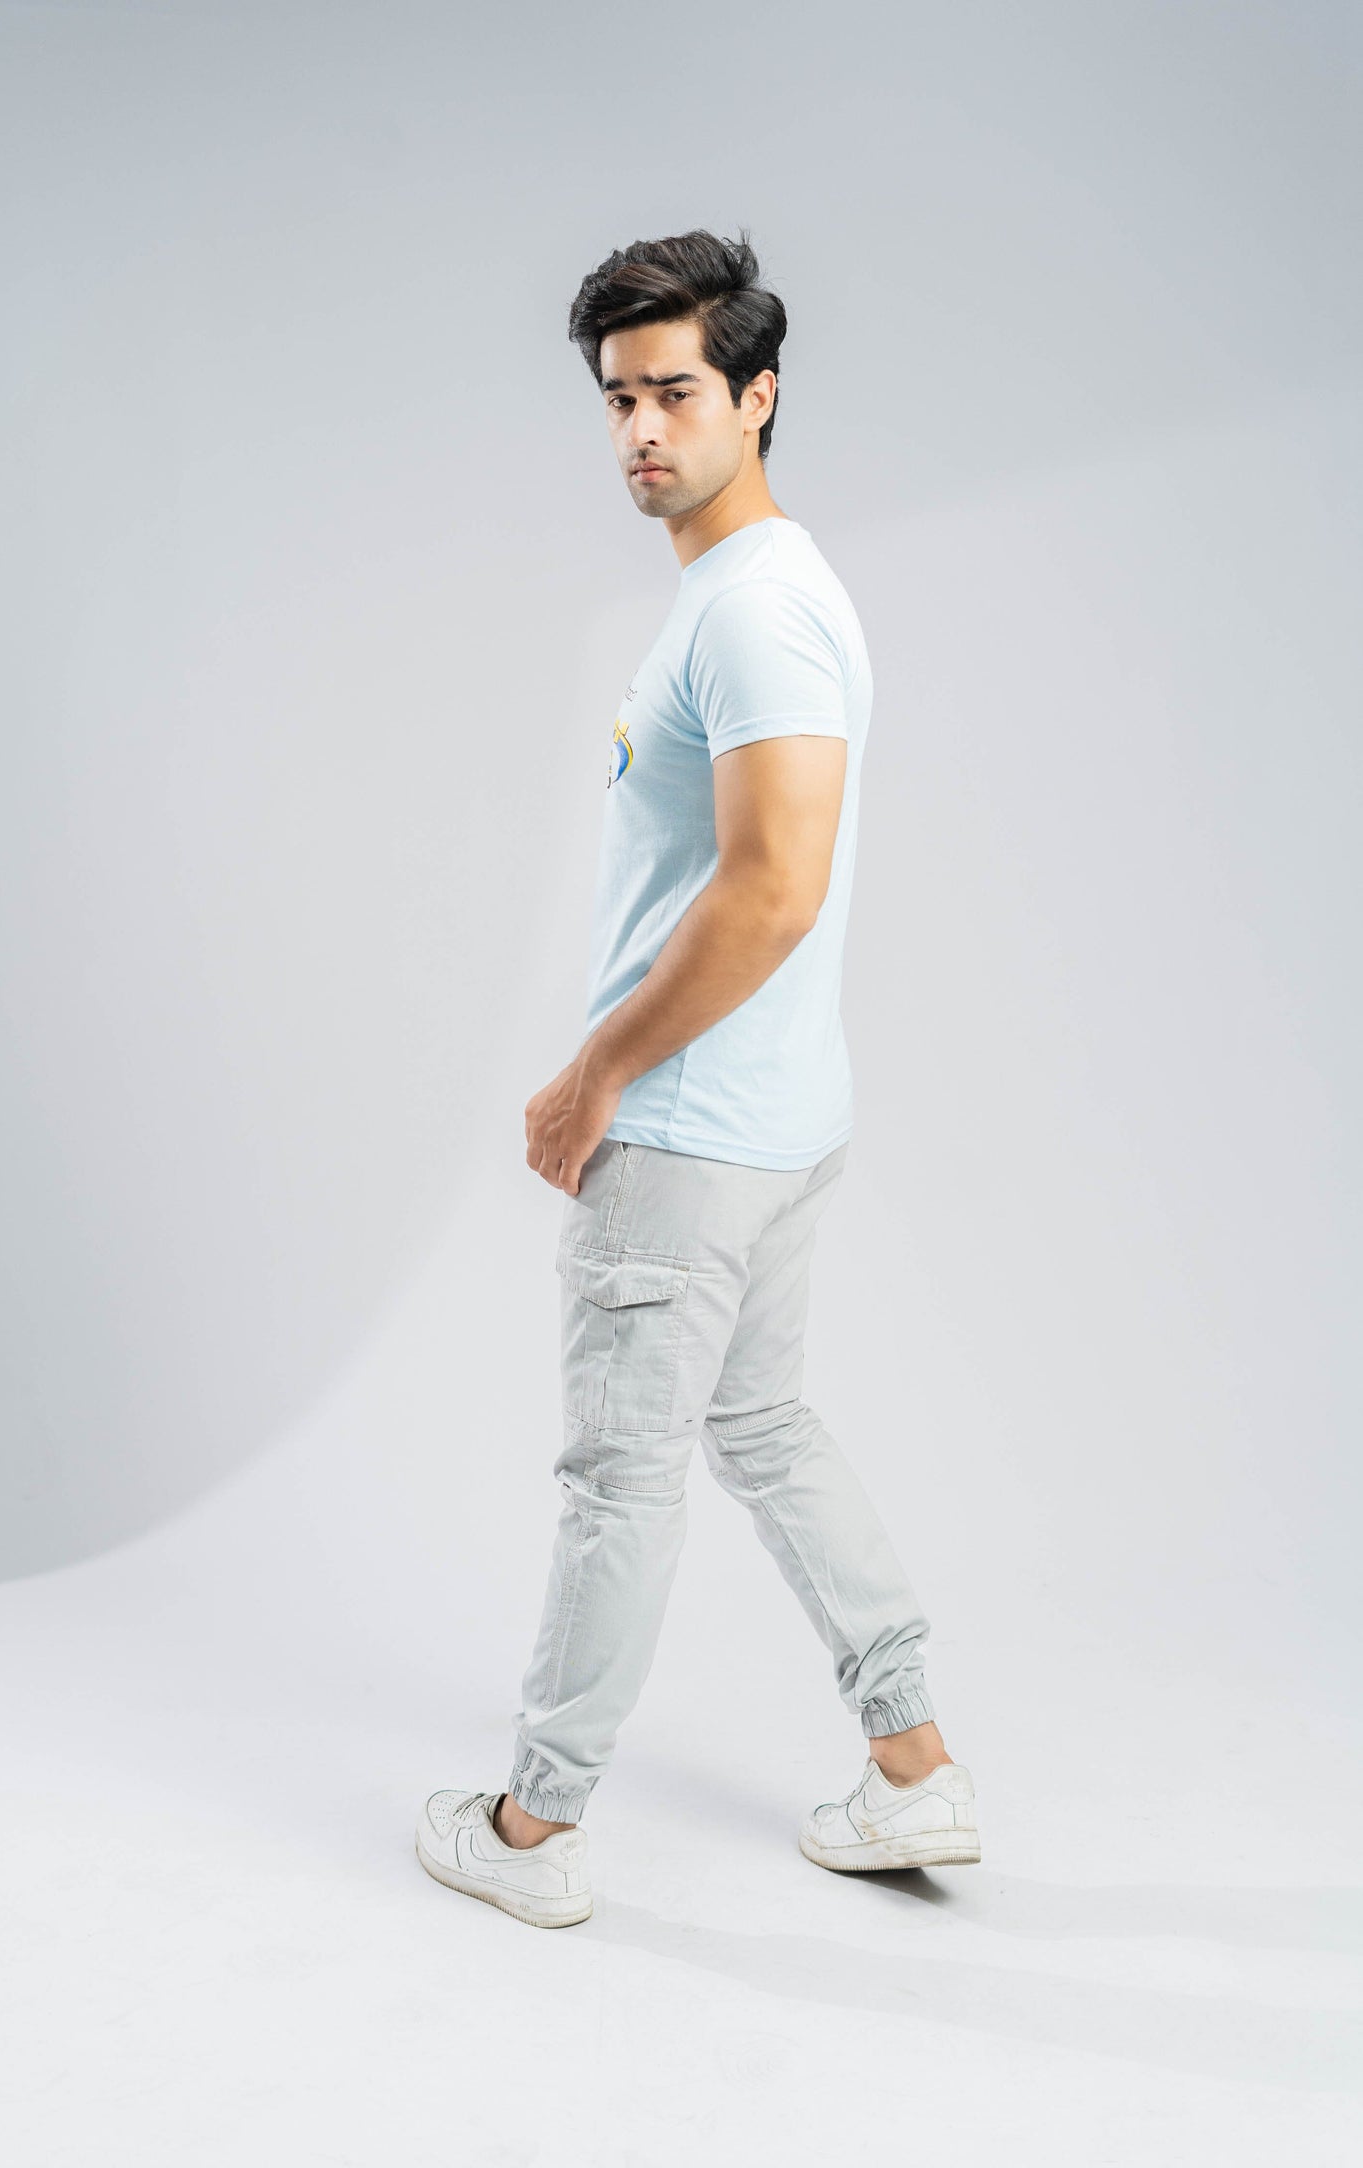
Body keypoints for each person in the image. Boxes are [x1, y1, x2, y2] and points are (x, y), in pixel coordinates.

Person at [416, 229, 979, 1929]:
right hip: (775, 1123)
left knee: (621, 1481)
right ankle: (912, 1769)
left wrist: (590, 1074)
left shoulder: (755, 612)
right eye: (617, 399)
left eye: (674, 392)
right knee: (762, 1428)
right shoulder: (754, 593)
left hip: (685, 1136)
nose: (642, 429)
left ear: (758, 396)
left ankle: (531, 1830)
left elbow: (772, 886)